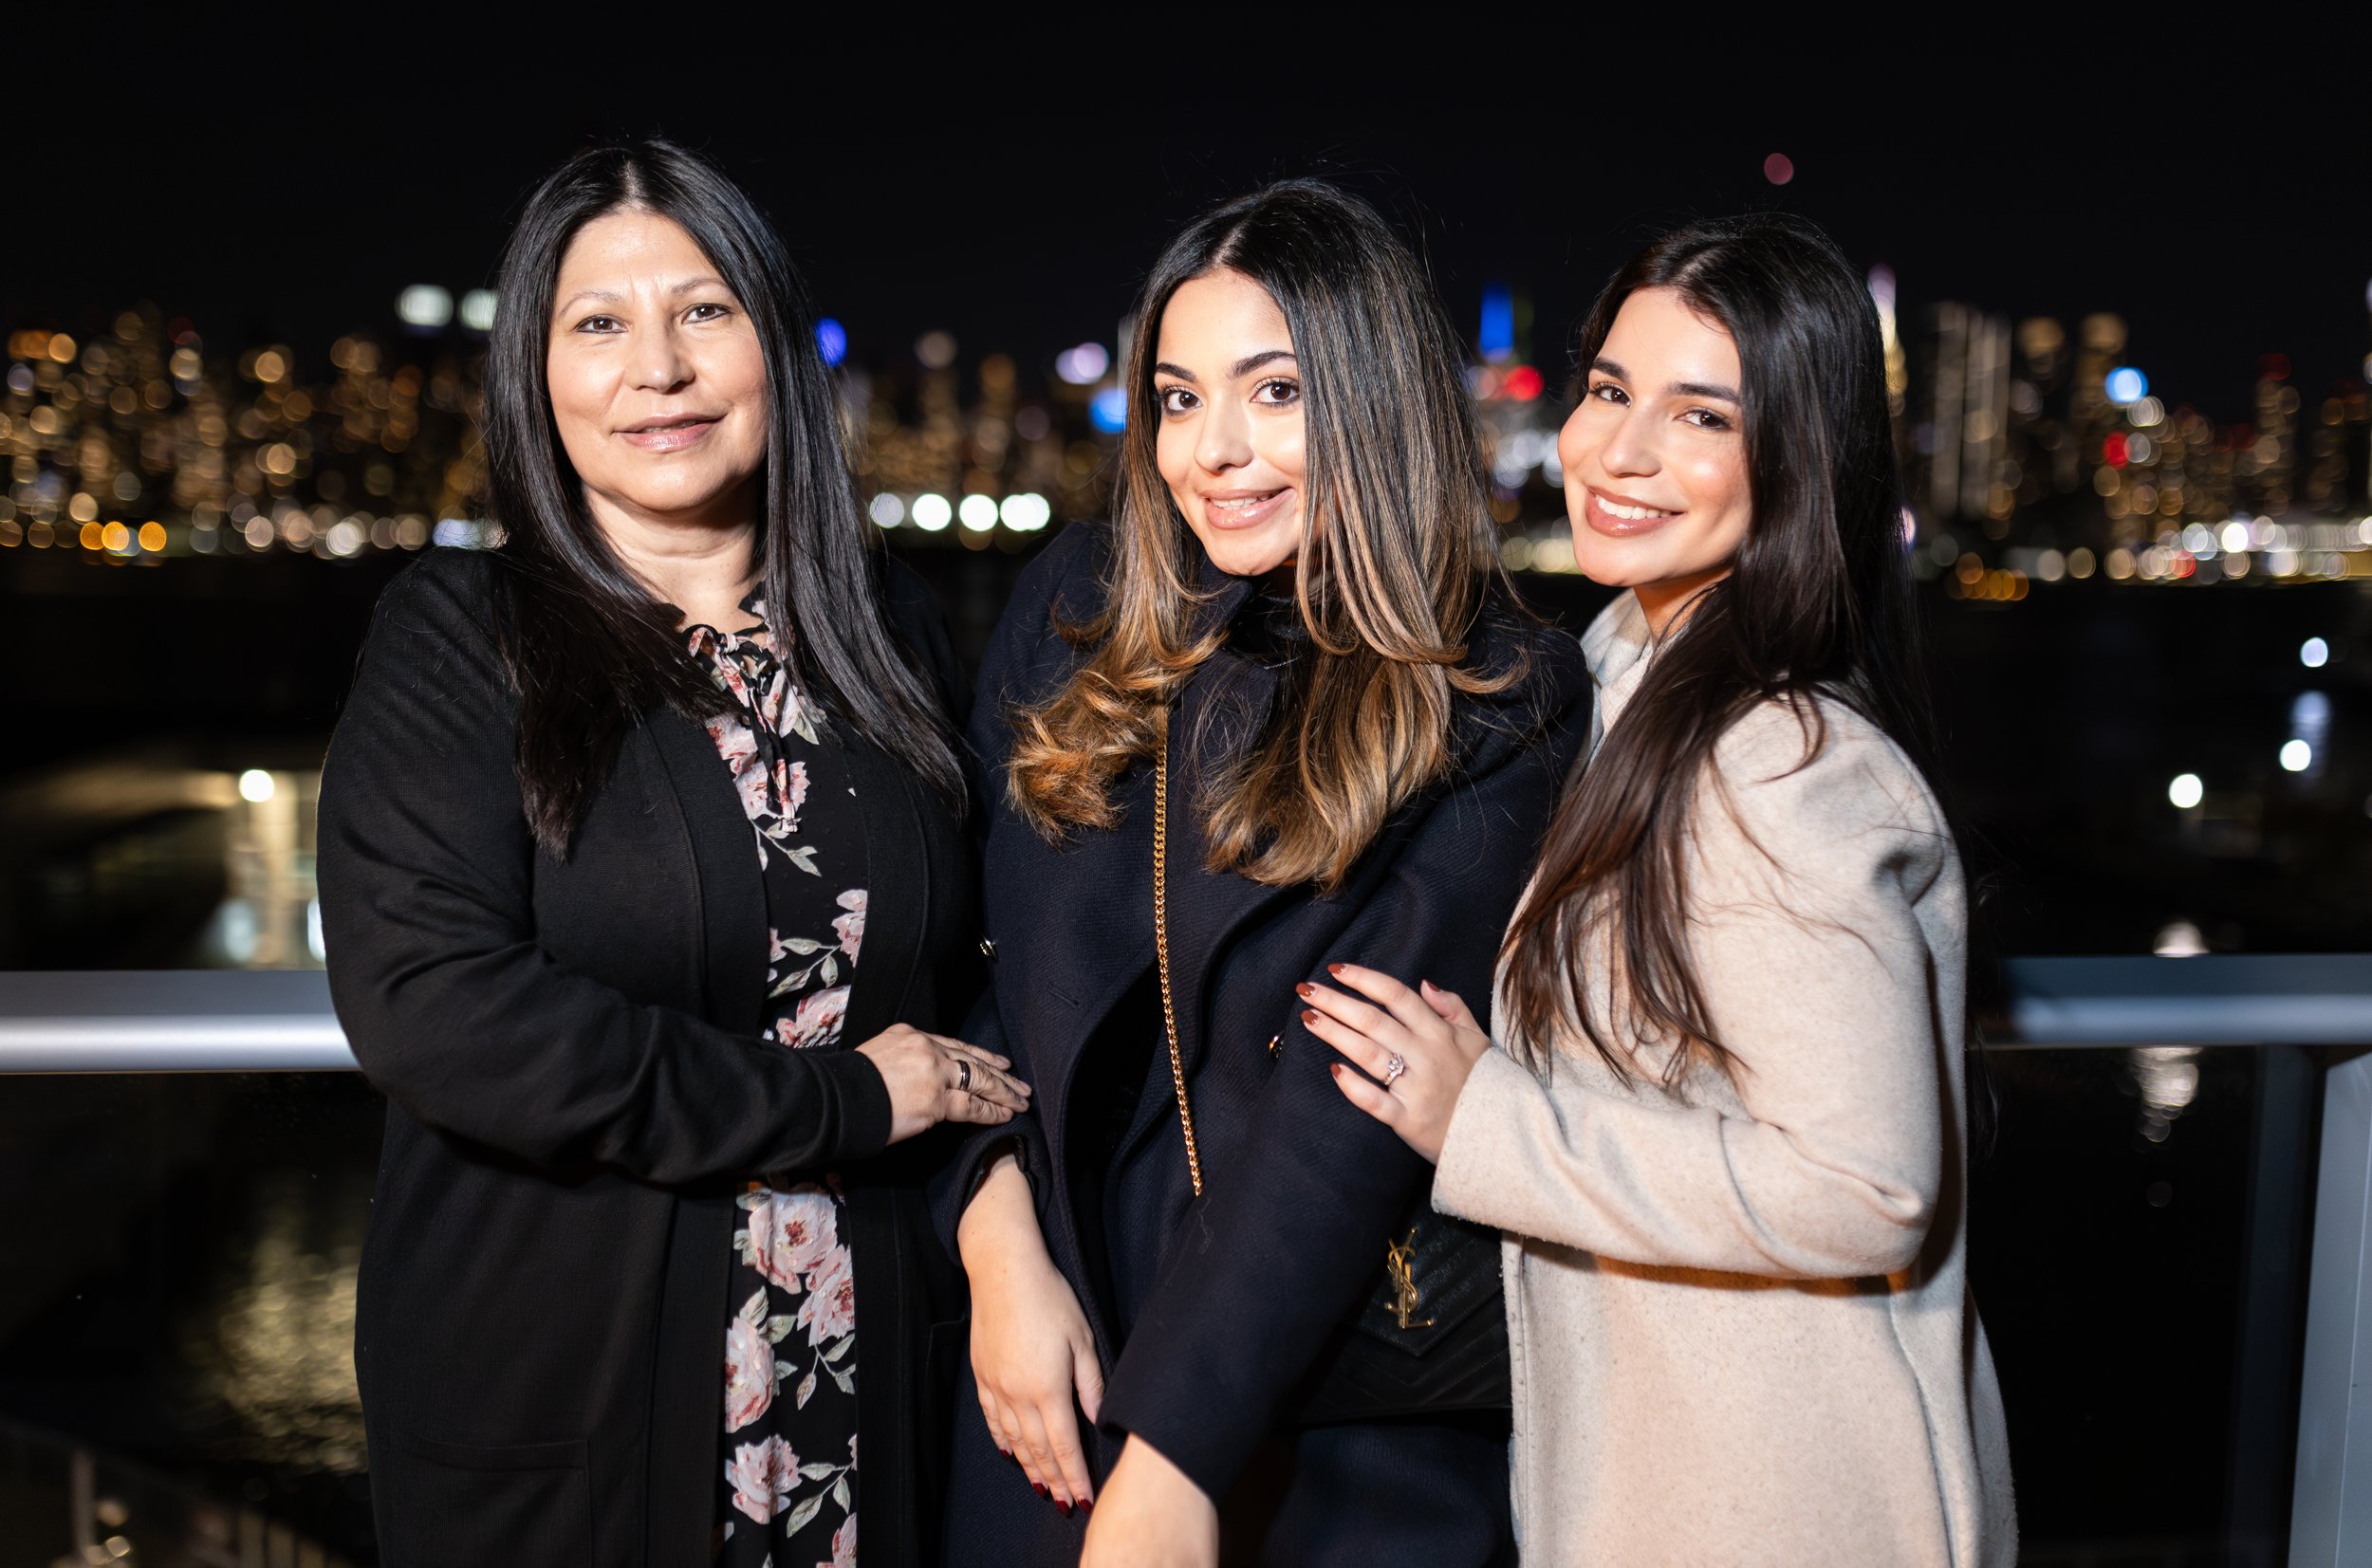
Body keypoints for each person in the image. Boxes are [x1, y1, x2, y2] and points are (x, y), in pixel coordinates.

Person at [316, 138, 1026, 1568]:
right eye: (599, 323)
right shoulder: (463, 636)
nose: (660, 368)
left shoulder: (885, 636)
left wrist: (1007, 1240)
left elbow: (968, 986)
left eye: (703, 311)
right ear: (535, 372)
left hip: (862, 1384)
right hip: (561, 1415)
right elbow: (438, 1011)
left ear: (774, 341)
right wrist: (833, 1103)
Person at [1304, 214, 2017, 1566]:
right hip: (1683, 1476)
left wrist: (1487, 1124)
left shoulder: (1775, 762)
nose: (1616, 451)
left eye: (1699, 416)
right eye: (1611, 391)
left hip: (1780, 1500)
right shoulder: (1626, 679)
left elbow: (1866, 1186)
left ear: (1800, 460)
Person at [940, 179, 1590, 1567]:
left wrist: (1173, 1461)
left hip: (1326, 1421)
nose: (1213, 450)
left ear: (1372, 400)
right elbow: (963, 973)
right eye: (1177, 399)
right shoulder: (1075, 613)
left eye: (1275, 391)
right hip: (1046, 1377)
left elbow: (1347, 1104)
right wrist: (998, 1253)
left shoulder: (1493, 689)